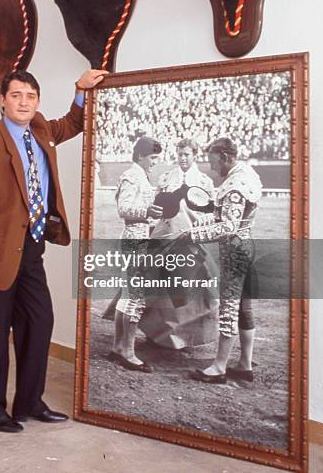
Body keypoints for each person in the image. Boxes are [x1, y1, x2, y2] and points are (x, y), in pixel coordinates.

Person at [0, 68, 106, 432]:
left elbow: (74, 122)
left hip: (32, 249)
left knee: (39, 323)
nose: (24, 102)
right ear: (2, 100)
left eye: (31, 96)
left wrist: (81, 90)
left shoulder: (39, 130)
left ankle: (29, 401)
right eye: (17, 95)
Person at [179, 137, 262, 384]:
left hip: (234, 249)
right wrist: (207, 208)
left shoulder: (235, 184)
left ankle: (219, 367)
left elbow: (228, 227)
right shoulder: (246, 173)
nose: (213, 168)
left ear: (226, 157)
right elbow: (227, 214)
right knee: (244, 307)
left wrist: (192, 234)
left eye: (215, 162)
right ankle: (245, 364)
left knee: (228, 308)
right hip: (246, 244)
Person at [139, 138, 218, 349]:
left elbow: (211, 214)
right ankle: (154, 334)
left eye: (187, 155)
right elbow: (155, 207)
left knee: (189, 289)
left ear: (194, 156)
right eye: (180, 154)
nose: (182, 159)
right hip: (164, 236)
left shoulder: (204, 182)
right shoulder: (166, 177)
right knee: (158, 287)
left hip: (190, 241)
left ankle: (186, 338)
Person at [107, 136, 163, 372]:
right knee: (136, 296)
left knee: (128, 294)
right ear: (140, 155)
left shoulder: (139, 174)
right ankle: (128, 352)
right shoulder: (132, 175)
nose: (154, 162)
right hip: (135, 236)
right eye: (152, 158)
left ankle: (119, 346)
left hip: (139, 235)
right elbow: (123, 209)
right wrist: (147, 210)